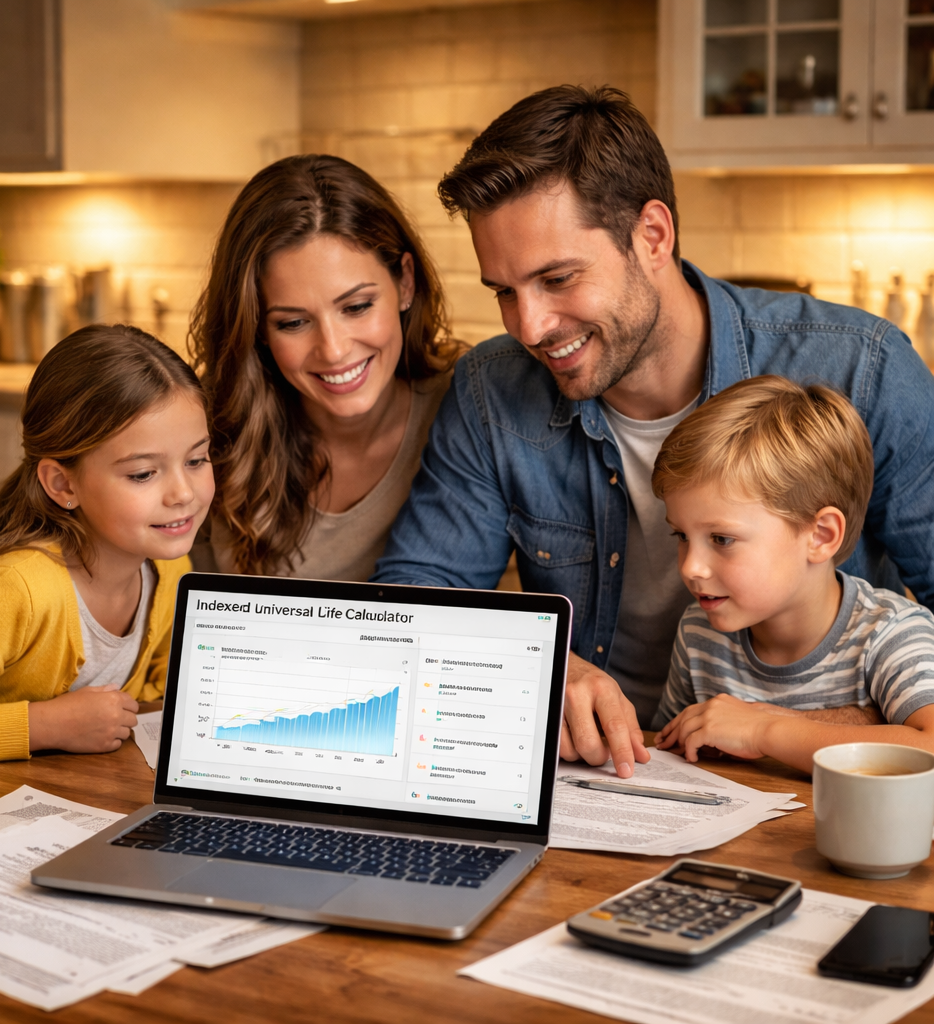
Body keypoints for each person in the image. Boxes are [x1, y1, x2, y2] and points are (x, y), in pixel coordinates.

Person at [373, 84, 934, 778]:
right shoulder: (492, 389)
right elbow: (409, 610)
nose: (531, 327)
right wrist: (538, 665)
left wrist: (802, 726)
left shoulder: (861, 368)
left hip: (805, 793)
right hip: (605, 780)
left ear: (653, 236)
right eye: (504, 292)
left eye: (557, 278)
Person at [0, 324, 214, 765]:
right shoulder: (15, 591)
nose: (183, 493)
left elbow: (156, 684)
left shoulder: (169, 569)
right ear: (61, 483)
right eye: (143, 474)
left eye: (197, 459)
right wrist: (44, 726)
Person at [189, 154, 459, 581]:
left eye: (356, 306)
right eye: (293, 323)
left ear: (405, 282)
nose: (333, 351)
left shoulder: (470, 409)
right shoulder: (209, 431)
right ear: (256, 326)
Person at [651, 376, 934, 774]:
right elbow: (669, 753)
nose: (690, 567)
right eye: (681, 535)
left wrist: (764, 729)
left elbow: (930, 746)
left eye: (722, 538)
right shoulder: (699, 634)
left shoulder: (891, 634)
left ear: (820, 536)